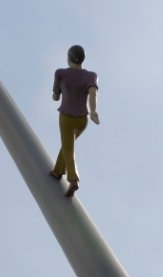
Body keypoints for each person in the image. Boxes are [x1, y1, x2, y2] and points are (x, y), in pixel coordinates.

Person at [49, 45, 99, 197]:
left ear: (69, 58)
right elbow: (92, 95)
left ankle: (73, 179)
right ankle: (58, 171)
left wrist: (57, 94)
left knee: (68, 148)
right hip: (82, 120)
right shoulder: (91, 76)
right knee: (67, 144)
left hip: (66, 117)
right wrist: (93, 112)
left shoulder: (61, 73)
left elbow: (55, 96)